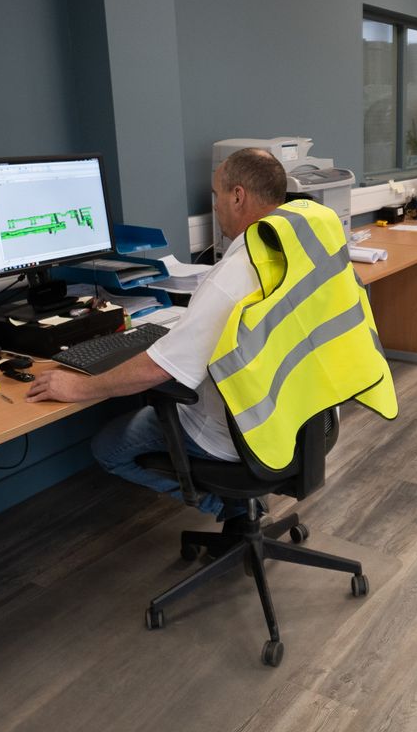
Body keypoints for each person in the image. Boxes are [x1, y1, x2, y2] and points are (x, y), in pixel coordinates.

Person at [25, 147, 287, 519]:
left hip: (231, 436)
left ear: (238, 196)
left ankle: (232, 510)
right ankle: (239, 505)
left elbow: (158, 370)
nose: (215, 205)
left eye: (216, 196)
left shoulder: (232, 277)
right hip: (292, 420)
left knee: (107, 447)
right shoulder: (295, 255)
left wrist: (77, 387)